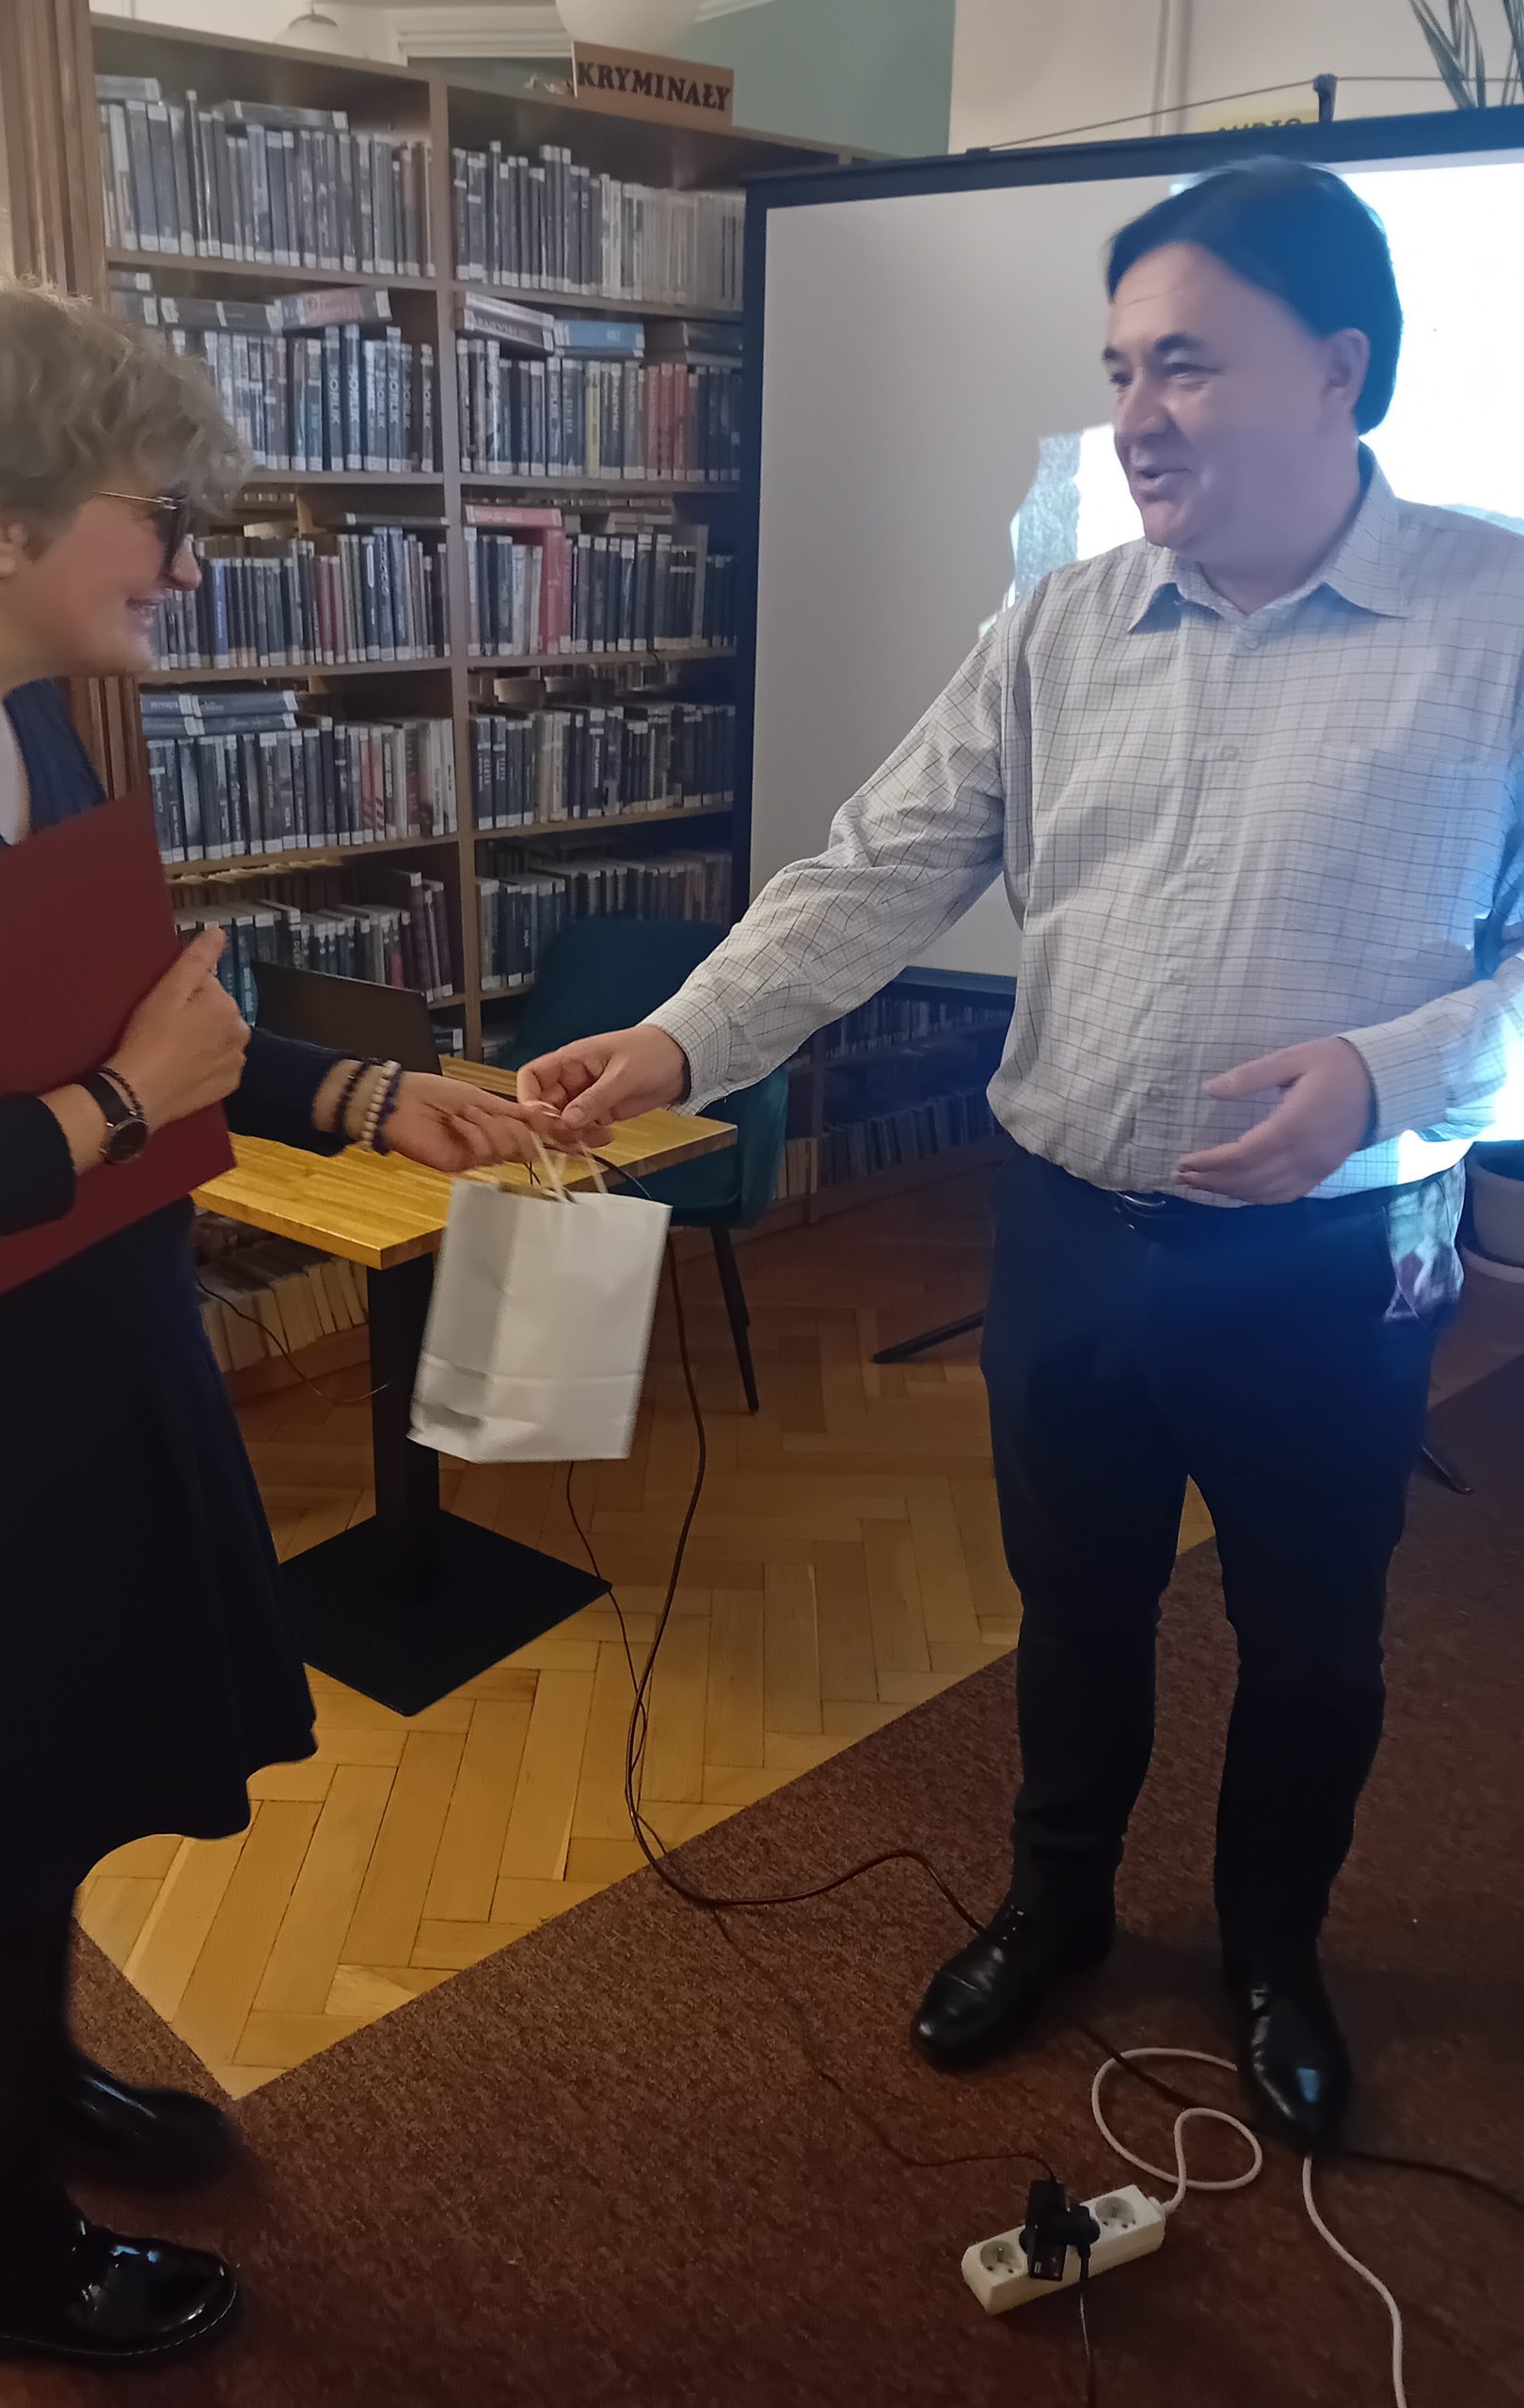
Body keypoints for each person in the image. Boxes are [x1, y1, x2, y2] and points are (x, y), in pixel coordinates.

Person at [519, 161, 1524, 2150]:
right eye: (1121, 368)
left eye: (1189, 366)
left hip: (1338, 1259)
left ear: (1341, 371)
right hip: (1071, 1232)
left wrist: (1390, 1073)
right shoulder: (1061, 622)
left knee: (1311, 1641)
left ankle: (1272, 1952)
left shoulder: (1498, 620)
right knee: (1072, 1610)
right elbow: (877, 868)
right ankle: (1056, 1903)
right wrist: (681, 1039)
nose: (1138, 413)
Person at [0, 274, 562, 2369]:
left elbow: (101, 1001)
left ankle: (38, 2079)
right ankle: (4, 2261)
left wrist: (355, 1093)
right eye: (155, 513)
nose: (186, 561)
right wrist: (110, 1111)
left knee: (43, 1790)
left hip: (44, 1377)